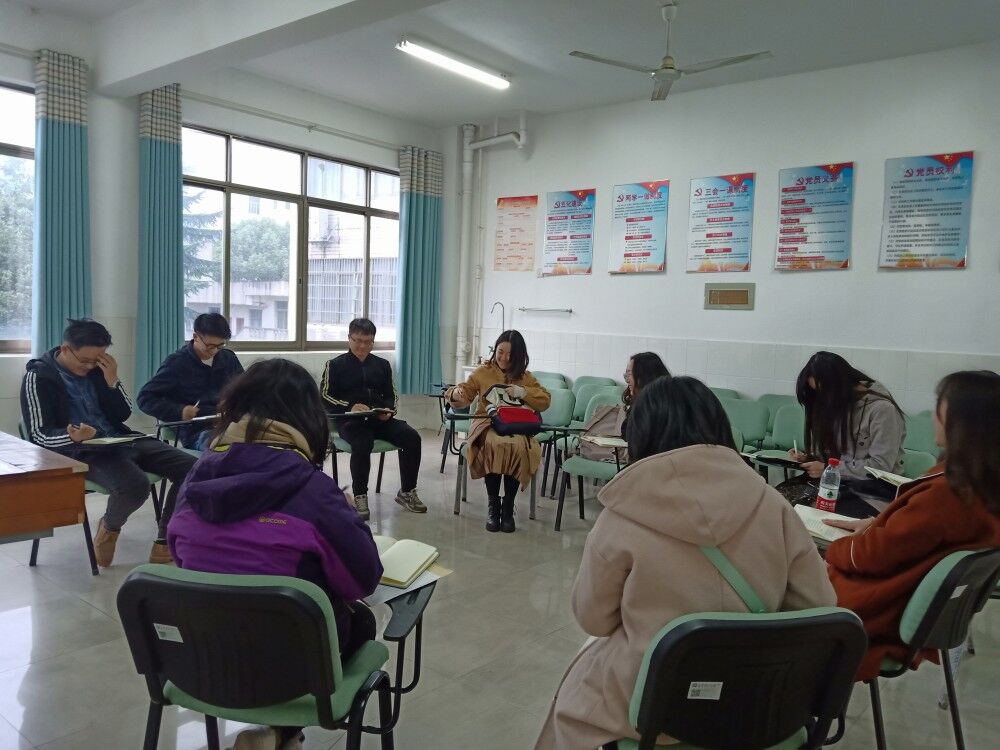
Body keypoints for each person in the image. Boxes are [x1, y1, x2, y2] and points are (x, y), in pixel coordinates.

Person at [534, 376, 835, 749]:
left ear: (641, 436)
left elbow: (593, 619)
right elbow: (819, 608)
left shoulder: (622, 513)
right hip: (756, 706)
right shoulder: (775, 507)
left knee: (573, 701)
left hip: (655, 709)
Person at [168, 358, 383, 750]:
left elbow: (183, 561)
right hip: (290, 668)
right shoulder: (314, 489)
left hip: (202, 660)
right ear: (308, 419)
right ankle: (283, 729)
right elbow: (362, 579)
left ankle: (278, 733)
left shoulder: (194, 479)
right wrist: (348, 517)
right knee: (360, 620)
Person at [824, 370, 1000, 682]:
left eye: (939, 407)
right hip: (902, 604)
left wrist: (833, 548)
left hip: (875, 609)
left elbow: (870, 556)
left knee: (784, 584)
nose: (932, 416)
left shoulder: (950, 494)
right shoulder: (982, 485)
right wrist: (878, 524)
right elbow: (919, 535)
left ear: (965, 423)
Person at [19, 318, 196, 566]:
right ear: (66, 349)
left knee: (194, 469)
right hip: (80, 450)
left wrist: (112, 381)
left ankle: (165, 540)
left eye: (97, 360)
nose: (90, 366)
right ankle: (109, 529)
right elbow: (39, 434)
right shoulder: (39, 377)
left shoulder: (98, 371)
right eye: (85, 361)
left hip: (120, 438)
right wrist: (71, 436)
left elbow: (122, 414)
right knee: (134, 486)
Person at [446, 330, 551, 533]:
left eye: (510, 355)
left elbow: (545, 400)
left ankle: (508, 506)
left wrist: (524, 392)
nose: (504, 358)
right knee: (493, 445)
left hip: (514, 424)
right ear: (495, 350)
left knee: (518, 447)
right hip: (486, 422)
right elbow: (464, 392)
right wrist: (456, 393)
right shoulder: (483, 372)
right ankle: (493, 505)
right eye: (500, 352)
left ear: (519, 356)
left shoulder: (525, 377)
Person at [321, 318, 425, 519]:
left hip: (378, 419)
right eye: (358, 341)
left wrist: (388, 410)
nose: (362, 346)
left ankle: (407, 491)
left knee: (411, 437)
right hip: (349, 422)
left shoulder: (382, 365)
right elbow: (324, 396)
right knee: (362, 442)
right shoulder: (334, 365)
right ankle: (360, 495)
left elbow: (391, 395)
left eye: (368, 342)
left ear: (373, 342)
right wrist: (349, 406)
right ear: (349, 339)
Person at [780, 351, 906, 515]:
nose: (822, 399)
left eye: (824, 392)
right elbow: (838, 455)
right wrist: (810, 458)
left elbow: (880, 467)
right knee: (780, 500)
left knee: (812, 513)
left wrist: (828, 469)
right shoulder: (839, 406)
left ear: (840, 385)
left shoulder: (882, 410)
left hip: (874, 493)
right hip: (839, 483)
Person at [137, 313, 244, 450]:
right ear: (195, 337)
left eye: (220, 345)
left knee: (259, 441)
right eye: (210, 346)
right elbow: (145, 398)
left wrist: (234, 401)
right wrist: (180, 411)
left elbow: (244, 389)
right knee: (223, 446)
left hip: (230, 423)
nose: (214, 351)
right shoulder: (177, 363)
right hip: (198, 431)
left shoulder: (228, 358)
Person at [621, 351, 670, 438]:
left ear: (644, 376)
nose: (627, 380)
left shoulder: (659, 406)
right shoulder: (642, 401)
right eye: (626, 375)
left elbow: (631, 434)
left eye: (629, 374)